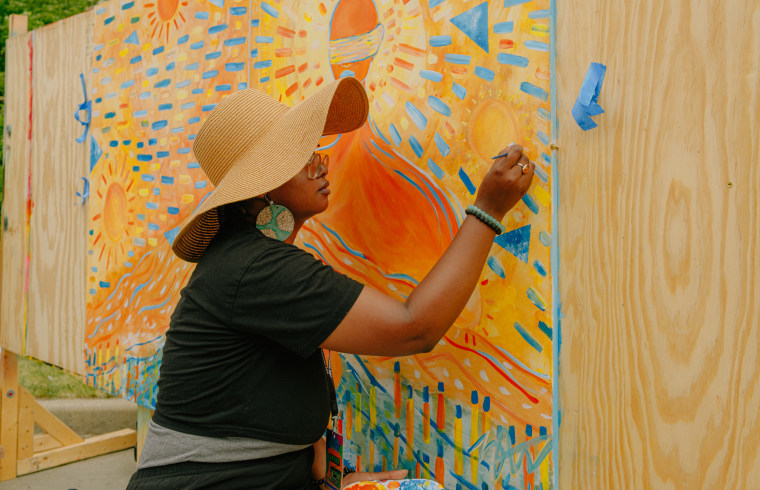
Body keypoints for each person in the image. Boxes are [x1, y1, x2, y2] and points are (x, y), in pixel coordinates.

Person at [126, 76, 534, 489]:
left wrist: (337, 478)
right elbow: (414, 328)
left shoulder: (247, 260)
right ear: (260, 193)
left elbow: (262, 409)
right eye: (300, 155)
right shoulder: (257, 269)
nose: (320, 163)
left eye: (315, 151)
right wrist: (487, 210)